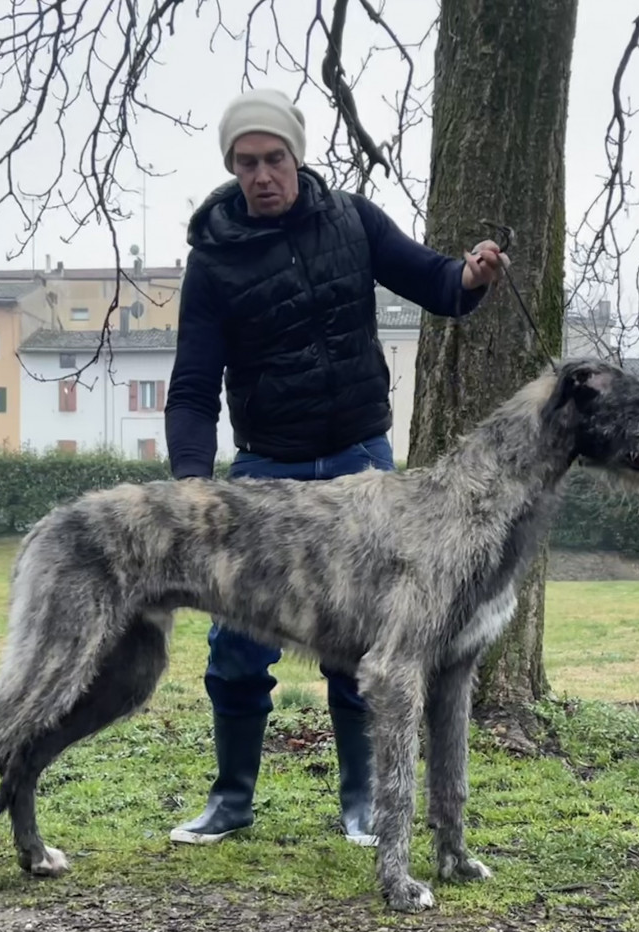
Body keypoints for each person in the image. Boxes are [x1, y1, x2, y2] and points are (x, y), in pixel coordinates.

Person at [162, 87, 508, 848]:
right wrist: (192, 484)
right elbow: (192, 386)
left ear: (296, 156)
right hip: (265, 473)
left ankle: (362, 803)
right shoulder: (213, 261)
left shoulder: (352, 220)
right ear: (232, 168)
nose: (262, 175)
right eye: (245, 163)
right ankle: (231, 800)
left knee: (368, 639)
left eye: (273, 158)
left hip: (360, 465)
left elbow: (435, 281)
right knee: (237, 645)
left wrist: (471, 278)